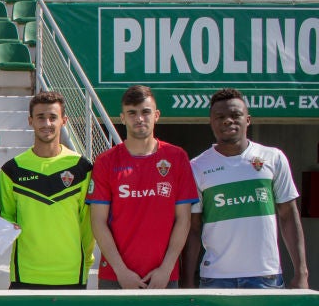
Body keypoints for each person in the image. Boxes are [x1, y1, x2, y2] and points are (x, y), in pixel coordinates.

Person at [181, 88, 309, 289]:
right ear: (211, 122)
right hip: (216, 278)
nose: (228, 121)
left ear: (248, 119)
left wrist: (301, 272)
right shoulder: (196, 167)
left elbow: (288, 216)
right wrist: (187, 281)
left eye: (235, 115)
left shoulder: (273, 158)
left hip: (266, 276)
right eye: (220, 117)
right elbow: (193, 228)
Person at [86, 85, 198, 289]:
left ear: (156, 115)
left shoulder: (176, 157)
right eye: (132, 113)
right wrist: (121, 271)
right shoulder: (106, 162)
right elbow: (98, 221)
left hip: (163, 276)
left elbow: (184, 219)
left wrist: (166, 268)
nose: (139, 119)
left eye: (145, 112)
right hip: (116, 276)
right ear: (122, 118)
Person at [0, 91, 94, 289]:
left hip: (71, 273)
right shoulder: (12, 170)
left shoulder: (82, 168)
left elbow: (88, 225)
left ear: (64, 121)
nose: (47, 123)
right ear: (30, 121)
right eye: (41, 117)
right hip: (26, 274)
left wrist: (85, 264)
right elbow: (5, 224)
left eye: (53, 117)